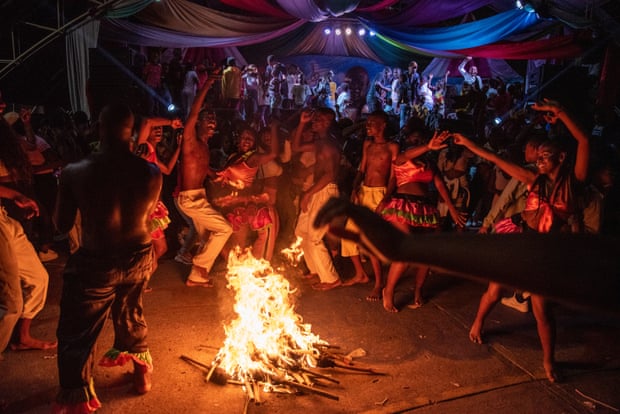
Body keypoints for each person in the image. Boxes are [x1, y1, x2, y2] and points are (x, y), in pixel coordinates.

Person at [453, 99, 590, 383]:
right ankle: (478, 323)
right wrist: (468, 142)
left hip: (542, 250)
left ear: (561, 158)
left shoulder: (573, 182)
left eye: (545, 156)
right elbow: (494, 159)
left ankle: (549, 362)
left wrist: (562, 112)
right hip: (518, 239)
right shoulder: (532, 179)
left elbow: (583, 139)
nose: (539, 160)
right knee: (495, 289)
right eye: (537, 156)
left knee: (542, 310)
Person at [53, 103, 162, 412]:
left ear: (99, 129)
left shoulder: (76, 171)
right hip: (139, 256)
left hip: (96, 260)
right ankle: (142, 376)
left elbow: (61, 225)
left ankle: (78, 400)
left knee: (78, 329)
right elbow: (149, 216)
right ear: (131, 132)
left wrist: (64, 187)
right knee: (130, 314)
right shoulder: (151, 171)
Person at [379, 128, 466, 312]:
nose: (416, 139)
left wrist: (452, 209)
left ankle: (418, 290)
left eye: (421, 138)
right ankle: (389, 290)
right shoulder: (402, 158)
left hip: (425, 208)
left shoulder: (429, 163)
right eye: (414, 137)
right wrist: (427, 146)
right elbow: (409, 154)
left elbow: (440, 185)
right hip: (401, 206)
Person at [1, 118, 57, 359]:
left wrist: (16, 197)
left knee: (38, 278)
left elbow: (36, 157)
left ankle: (23, 337)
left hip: (4, 218)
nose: (2, 106)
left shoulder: (8, 139)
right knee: (11, 305)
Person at [176, 72, 233, 288]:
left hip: (199, 196)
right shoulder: (190, 139)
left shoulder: (205, 146)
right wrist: (207, 84)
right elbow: (192, 114)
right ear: (198, 122)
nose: (212, 121)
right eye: (207, 118)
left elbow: (199, 166)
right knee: (225, 229)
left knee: (209, 234)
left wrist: (214, 174)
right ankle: (199, 264)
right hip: (191, 199)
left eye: (214, 119)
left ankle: (196, 277)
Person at [341, 110, 398, 301]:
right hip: (364, 191)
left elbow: (393, 176)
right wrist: (355, 188)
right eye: (368, 122)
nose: (368, 125)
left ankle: (379, 283)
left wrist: (386, 198)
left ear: (383, 126)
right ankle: (360, 274)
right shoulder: (367, 144)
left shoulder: (392, 147)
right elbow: (362, 168)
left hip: (380, 194)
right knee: (348, 234)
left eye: (373, 122)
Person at [209, 122, 278, 258]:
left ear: (254, 143)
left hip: (240, 206)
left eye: (250, 138)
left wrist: (274, 127)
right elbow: (219, 175)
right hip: (228, 203)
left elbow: (274, 153)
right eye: (244, 137)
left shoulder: (253, 158)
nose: (246, 141)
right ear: (238, 140)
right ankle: (236, 269)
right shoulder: (234, 157)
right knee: (228, 243)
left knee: (237, 246)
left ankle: (245, 270)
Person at [292, 107, 342, 290]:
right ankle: (315, 270)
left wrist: (308, 193)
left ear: (327, 123)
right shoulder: (320, 143)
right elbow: (296, 147)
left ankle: (331, 279)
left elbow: (329, 175)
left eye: (318, 119)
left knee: (314, 237)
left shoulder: (328, 146)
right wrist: (301, 123)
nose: (314, 121)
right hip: (318, 191)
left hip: (324, 192)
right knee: (301, 232)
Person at [135, 116, 184, 288]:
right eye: (156, 128)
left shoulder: (152, 154)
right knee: (158, 248)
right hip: (143, 207)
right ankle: (139, 280)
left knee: (157, 249)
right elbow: (147, 121)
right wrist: (171, 123)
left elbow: (168, 170)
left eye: (160, 130)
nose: (158, 131)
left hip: (150, 206)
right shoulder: (142, 148)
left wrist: (179, 147)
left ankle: (140, 280)